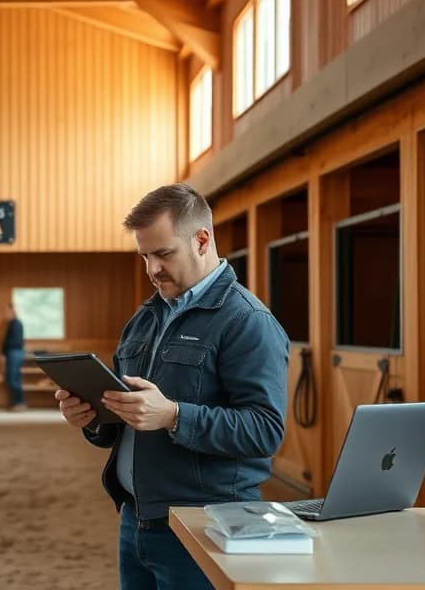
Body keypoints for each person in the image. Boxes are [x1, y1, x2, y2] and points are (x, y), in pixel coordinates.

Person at [55, 183, 289, 590]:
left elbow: (265, 430)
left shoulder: (247, 321)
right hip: (136, 519)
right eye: (145, 256)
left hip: (206, 525)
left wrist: (175, 416)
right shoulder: (145, 317)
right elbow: (124, 409)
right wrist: (91, 417)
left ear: (201, 240)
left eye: (164, 254)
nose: (152, 269)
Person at [0, 302, 26, 411]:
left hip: (14, 353)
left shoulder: (16, 323)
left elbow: (13, 342)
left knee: (13, 379)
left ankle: (20, 403)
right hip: (13, 353)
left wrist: (4, 353)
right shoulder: (12, 324)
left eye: (7, 311)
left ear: (12, 311)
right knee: (12, 378)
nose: (5, 314)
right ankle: (18, 403)